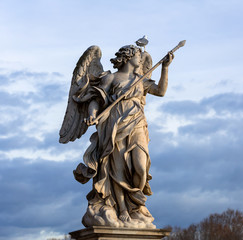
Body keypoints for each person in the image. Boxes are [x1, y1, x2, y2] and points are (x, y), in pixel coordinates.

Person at [73, 45, 174, 228]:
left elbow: (160, 91)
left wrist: (165, 68)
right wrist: (92, 114)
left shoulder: (141, 79)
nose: (140, 58)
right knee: (116, 169)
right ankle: (122, 209)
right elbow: (96, 98)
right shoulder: (111, 78)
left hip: (137, 124)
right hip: (114, 125)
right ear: (128, 57)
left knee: (140, 167)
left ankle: (135, 204)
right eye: (137, 55)